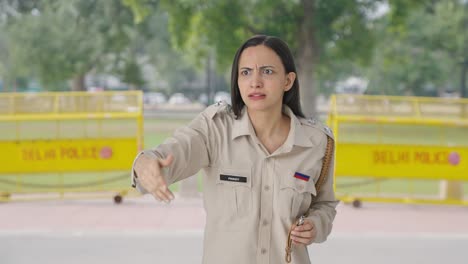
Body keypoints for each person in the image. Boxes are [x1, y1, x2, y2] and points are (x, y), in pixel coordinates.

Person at [131, 35, 338, 264]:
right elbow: (172, 152)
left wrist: (316, 225)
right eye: (246, 72)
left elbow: (325, 204)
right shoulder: (214, 129)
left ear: (288, 81)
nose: (255, 82)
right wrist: (145, 162)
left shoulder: (317, 142)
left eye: (267, 72)